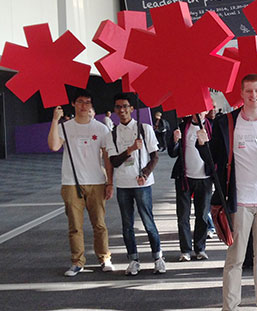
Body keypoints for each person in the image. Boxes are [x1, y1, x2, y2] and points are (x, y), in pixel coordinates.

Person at [208, 74, 257, 311]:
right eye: (249, 91)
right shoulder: (227, 123)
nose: (253, 96)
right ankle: (230, 306)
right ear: (241, 94)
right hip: (239, 202)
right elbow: (212, 161)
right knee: (235, 259)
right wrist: (203, 145)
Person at [47, 88, 115, 277]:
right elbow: (53, 146)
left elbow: (107, 157)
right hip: (71, 183)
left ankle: (104, 257)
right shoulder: (65, 127)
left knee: (99, 224)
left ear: (91, 105)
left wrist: (110, 182)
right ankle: (77, 262)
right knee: (75, 226)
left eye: (87, 102)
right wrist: (55, 120)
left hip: (97, 182)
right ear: (73, 104)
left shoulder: (101, 129)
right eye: (80, 102)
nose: (84, 106)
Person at [106, 93, 165, 276]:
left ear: (132, 108)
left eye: (125, 106)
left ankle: (158, 257)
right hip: (123, 184)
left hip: (142, 184)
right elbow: (114, 161)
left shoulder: (144, 128)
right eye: (118, 107)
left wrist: (145, 174)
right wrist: (130, 149)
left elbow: (155, 156)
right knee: (127, 224)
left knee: (148, 222)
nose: (122, 110)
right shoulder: (113, 133)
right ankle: (133, 259)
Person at [168, 111, 214, 262]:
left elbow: (216, 153)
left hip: (205, 178)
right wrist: (175, 141)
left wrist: (206, 142)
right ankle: (185, 250)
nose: (199, 114)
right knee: (183, 216)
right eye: (196, 111)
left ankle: (200, 248)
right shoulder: (182, 126)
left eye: (202, 111)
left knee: (202, 215)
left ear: (206, 112)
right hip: (185, 177)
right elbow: (172, 153)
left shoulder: (211, 127)